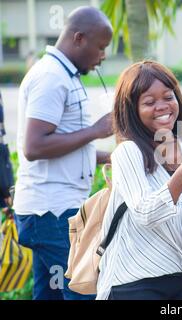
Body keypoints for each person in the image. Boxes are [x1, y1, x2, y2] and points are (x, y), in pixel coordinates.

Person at [96, 60, 182, 300]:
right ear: (132, 110)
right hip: (134, 284)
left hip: (179, 281)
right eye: (149, 102)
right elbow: (145, 214)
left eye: (168, 97)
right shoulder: (128, 152)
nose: (162, 107)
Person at [13, 6, 113, 300]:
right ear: (79, 38)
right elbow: (35, 147)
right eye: (101, 47)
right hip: (52, 212)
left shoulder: (63, 74)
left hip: (52, 211)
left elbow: (64, 143)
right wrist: (96, 130)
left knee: (51, 294)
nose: (103, 56)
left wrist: (109, 156)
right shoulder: (51, 77)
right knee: (83, 290)